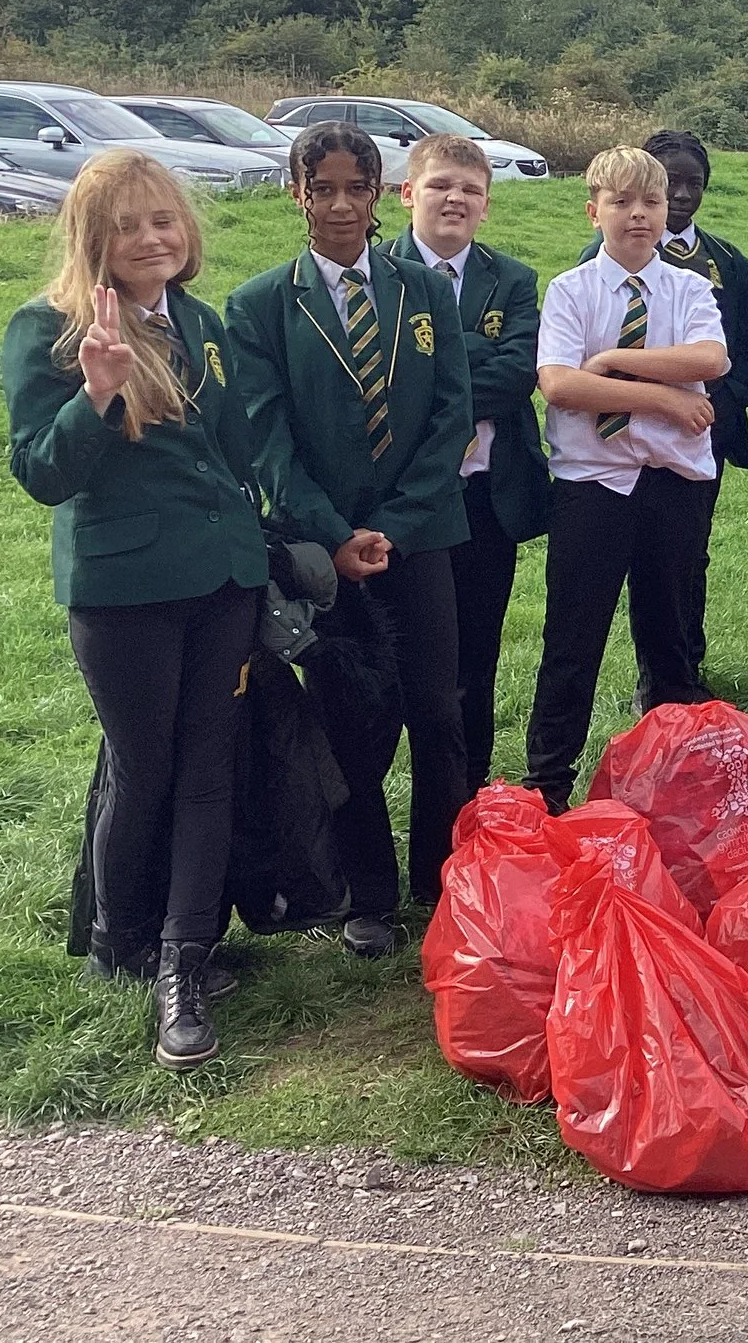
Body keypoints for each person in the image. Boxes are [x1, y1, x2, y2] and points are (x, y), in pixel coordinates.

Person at [2, 150, 268, 1068]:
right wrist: (98, 391)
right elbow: (41, 471)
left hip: (225, 580)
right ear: (95, 240)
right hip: (123, 594)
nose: (154, 237)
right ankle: (122, 941)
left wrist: (319, 534)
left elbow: (240, 450)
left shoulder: (201, 319)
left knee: (208, 771)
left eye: (166, 219)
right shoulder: (47, 329)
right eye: (130, 225)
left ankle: (181, 961)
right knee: (143, 770)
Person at [227, 121, 473, 958]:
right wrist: (335, 536)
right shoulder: (260, 304)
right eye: (320, 187)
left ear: (379, 195)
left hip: (421, 535)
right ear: (296, 192)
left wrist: (394, 527)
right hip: (322, 553)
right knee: (348, 720)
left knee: (440, 711)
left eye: (355, 187)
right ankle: (366, 891)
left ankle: (443, 881)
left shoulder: (425, 290)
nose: (339, 204)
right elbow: (267, 441)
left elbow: (452, 418)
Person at [522, 146, 731, 810]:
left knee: (670, 637)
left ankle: (670, 783)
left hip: (674, 483)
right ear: (594, 211)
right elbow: (559, 384)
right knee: (573, 638)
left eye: (650, 202)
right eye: (621, 203)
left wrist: (612, 361)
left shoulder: (689, 287)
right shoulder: (570, 290)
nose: (637, 215)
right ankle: (548, 785)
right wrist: (667, 399)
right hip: (594, 485)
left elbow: (711, 357)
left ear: (666, 210)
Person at [386, 133, 547, 786]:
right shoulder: (373, 275)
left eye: (470, 189)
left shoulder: (512, 280)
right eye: (440, 185)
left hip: (484, 500)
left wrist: (430, 375)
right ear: (407, 194)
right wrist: (461, 368)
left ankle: (467, 794)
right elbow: (376, 384)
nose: (455, 198)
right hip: (398, 504)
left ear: (486, 204)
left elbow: (515, 376)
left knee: (474, 659)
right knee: (395, 661)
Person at [577, 127, 748, 689]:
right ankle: (650, 671)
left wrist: (716, 404)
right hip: (621, 432)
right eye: (668, 183)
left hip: (703, 427)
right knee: (639, 557)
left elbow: (744, 346)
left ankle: (686, 661)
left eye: (691, 184)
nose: (679, 195)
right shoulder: (597, 259)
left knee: (688, 554)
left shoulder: (727, 259)